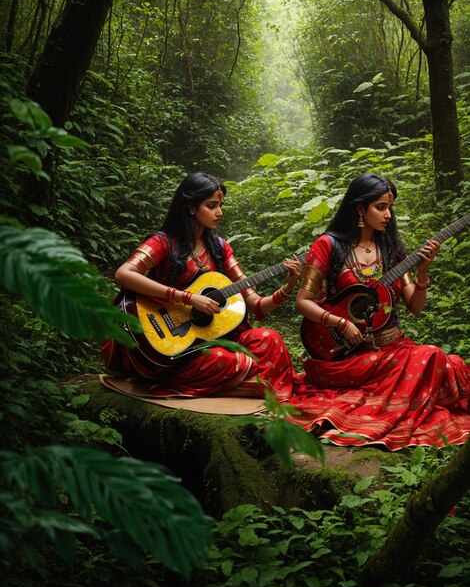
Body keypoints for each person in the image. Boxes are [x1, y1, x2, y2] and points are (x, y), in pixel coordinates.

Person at [290, 172, 470, 450]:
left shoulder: (393, 250)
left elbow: (416, 306)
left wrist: (422, 273)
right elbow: (302, 301)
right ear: (360, 208)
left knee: (453, 365)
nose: (388, 215)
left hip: (393, 349)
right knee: (433, 356)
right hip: (349, 355)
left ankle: (402, 399)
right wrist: (340, 323)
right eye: (381, 207)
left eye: (390, 208)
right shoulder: (328, 245)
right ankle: (396, 408)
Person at [102, 171, 303, 399]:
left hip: (211, 338)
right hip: (172, 344)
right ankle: (250, 384)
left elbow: (256, 304)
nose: (220, 212)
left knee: (270, 339)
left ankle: (242, 384)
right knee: (223, 360)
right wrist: (188, 298)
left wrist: (288, 287)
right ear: (191, 207)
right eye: (211, 205)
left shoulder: (220, 247)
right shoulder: (163, 242)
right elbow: (123, 274)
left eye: (220, 205)